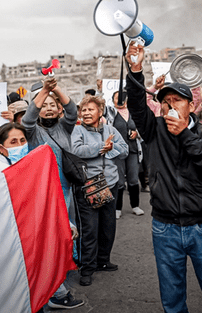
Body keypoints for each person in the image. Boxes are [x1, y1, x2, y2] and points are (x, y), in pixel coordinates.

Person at [125, 44, 202, 313]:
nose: (169, 106)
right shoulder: (154, 129)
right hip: (165, 227)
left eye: (176, 101)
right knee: (172, 301)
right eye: (165, 102)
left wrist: (184, 133)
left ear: (191, 105)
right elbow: (137, 106)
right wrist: (135, 69)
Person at [0, 123, 83, 309]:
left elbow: (49, 199)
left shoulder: (32, 165)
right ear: (1, 147)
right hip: (15, 239)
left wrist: (67, 223)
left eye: (23, 140)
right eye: (13, 142)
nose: (20, 145)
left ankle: (57, 295)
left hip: (36, 232)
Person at [21, 77, 83, 308]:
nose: (47, 108)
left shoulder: (64, 127)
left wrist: (55, 89)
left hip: (65, 188)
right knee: (52, 235)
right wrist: (44, 92)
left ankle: (63, 271)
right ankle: (55, 286)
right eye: (43, 105)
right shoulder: (32, 131)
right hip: (43, 191)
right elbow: (27, 119)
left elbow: (71, 110)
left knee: (68, 233)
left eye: (52, 105)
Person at [71, 95, 128, 286]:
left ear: (100, 111)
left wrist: (111, 148)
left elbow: (125, 149)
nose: (86, 113)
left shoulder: (111, 130)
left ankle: (103, 261)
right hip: (89, 186)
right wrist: (100, 147)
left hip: (110, 185)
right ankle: (87, 268)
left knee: (108, 227)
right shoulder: (77, 130)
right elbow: (76, 150)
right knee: (90, 229)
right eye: (83, 110)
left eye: (90, 109)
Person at [106, 91, 144, 218]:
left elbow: (142, 128)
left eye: (122, 98)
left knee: (133, 179)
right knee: (120, 181)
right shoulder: (111, 113)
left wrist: (136, 134)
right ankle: (117, 208)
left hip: (133, 150)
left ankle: (135, 206)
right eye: (117, 98)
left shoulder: (133, 112)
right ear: (112, 100)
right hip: (117, 152)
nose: (120, 101)